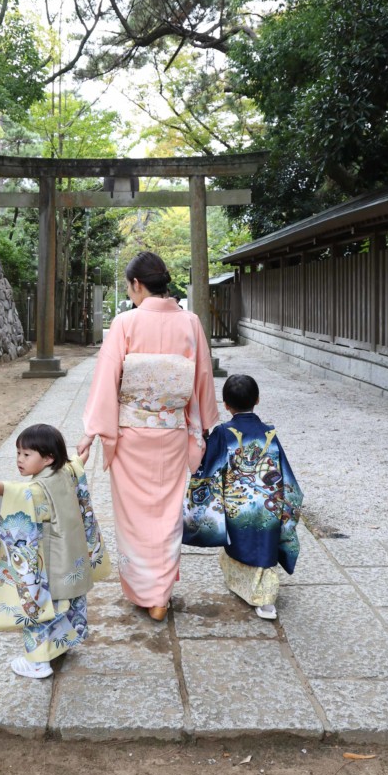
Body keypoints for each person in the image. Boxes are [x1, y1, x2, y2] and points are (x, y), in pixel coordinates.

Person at [77, 250, 219, 621]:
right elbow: (202, 378)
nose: (131, 293)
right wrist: (201, 429)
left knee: (134, 517)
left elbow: (107, 379)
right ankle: (161, 595)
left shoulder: (125, 323)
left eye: (130, 287)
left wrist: (93, 431)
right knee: (168, 513)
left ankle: (145, 590)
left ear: (138, 285)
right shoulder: (191, 322)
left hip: (130, 435)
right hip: (170, 431)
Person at [0, 423, 110, 678]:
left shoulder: (37, 490)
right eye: (18, 453)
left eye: (27, 455)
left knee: (39, 609)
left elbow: (12, 492)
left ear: (49, 457)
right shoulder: (66, 472)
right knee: (67, 606)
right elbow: (78, 461)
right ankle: (60, 645)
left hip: (50, 565)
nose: (19, 460)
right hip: (72, 561)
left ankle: (38, 663)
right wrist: (86, 448)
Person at [182, 373, 303, 620]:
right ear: (257, 400)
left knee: (240, 542)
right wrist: (286, 500)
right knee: (265, 547)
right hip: (269, 505)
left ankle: (262, 597)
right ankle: (264, 601)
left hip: (237, 505)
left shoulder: (224, 433)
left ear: (225, 405)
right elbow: (286, 475)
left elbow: (208, 470)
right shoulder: (268, 433)